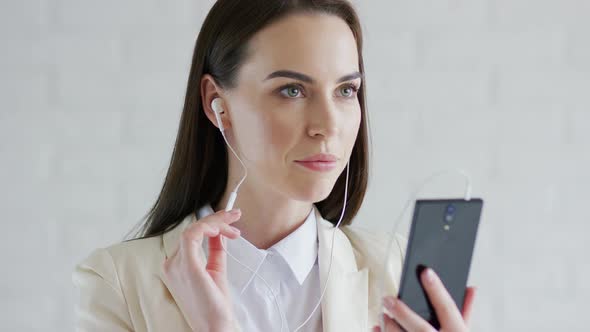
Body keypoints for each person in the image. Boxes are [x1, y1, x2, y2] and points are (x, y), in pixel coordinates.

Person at [72, 1, 476, 331]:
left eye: (346, 90)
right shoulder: (118, 286)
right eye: (292, 90)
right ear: (218, 102)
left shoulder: (394, 272)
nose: (328, 126)